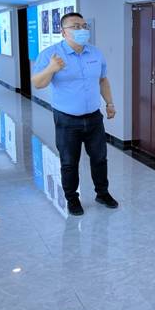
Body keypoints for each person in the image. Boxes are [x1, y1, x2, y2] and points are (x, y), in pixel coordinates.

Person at [32, 12, 118, 216]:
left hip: (94, 117)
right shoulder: (51, 54)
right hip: (67, 120)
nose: (82, 30)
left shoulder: (95, 53)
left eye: (84, 26)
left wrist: (110, 103)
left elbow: (103, 80)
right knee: (69, 162)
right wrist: (51, 69)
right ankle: (72, 199)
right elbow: (38, 83)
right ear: (63, 32)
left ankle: (102, 193)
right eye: (76, 26)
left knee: (100, 159)